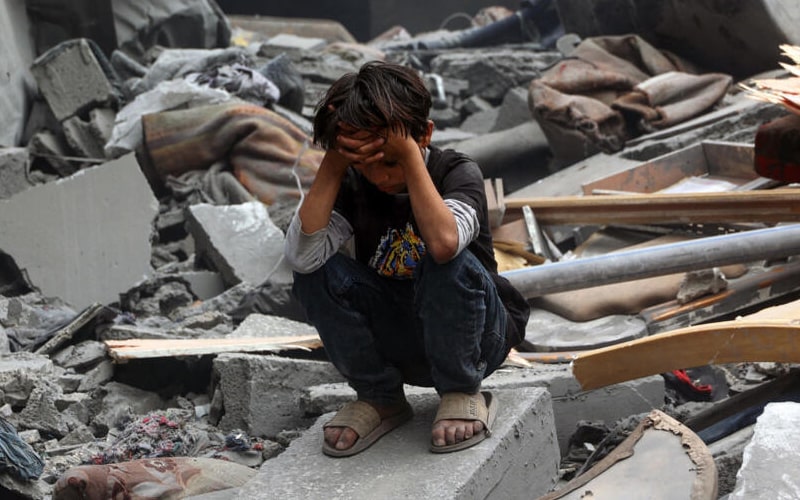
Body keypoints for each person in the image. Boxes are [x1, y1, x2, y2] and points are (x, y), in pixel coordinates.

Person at [284, 60, 530, 457]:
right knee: (315, 272)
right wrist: (335, 163)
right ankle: (380, 397)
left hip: (475, 335)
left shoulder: (456, 171)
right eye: (365, 164)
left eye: (389, 162)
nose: (379, 177)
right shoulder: (352, 183)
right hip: (402, 338)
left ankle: (461, 390)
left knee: (444, 260)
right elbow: (301, 256)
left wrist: (411, 159)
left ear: (425, 135)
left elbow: (445, 244)